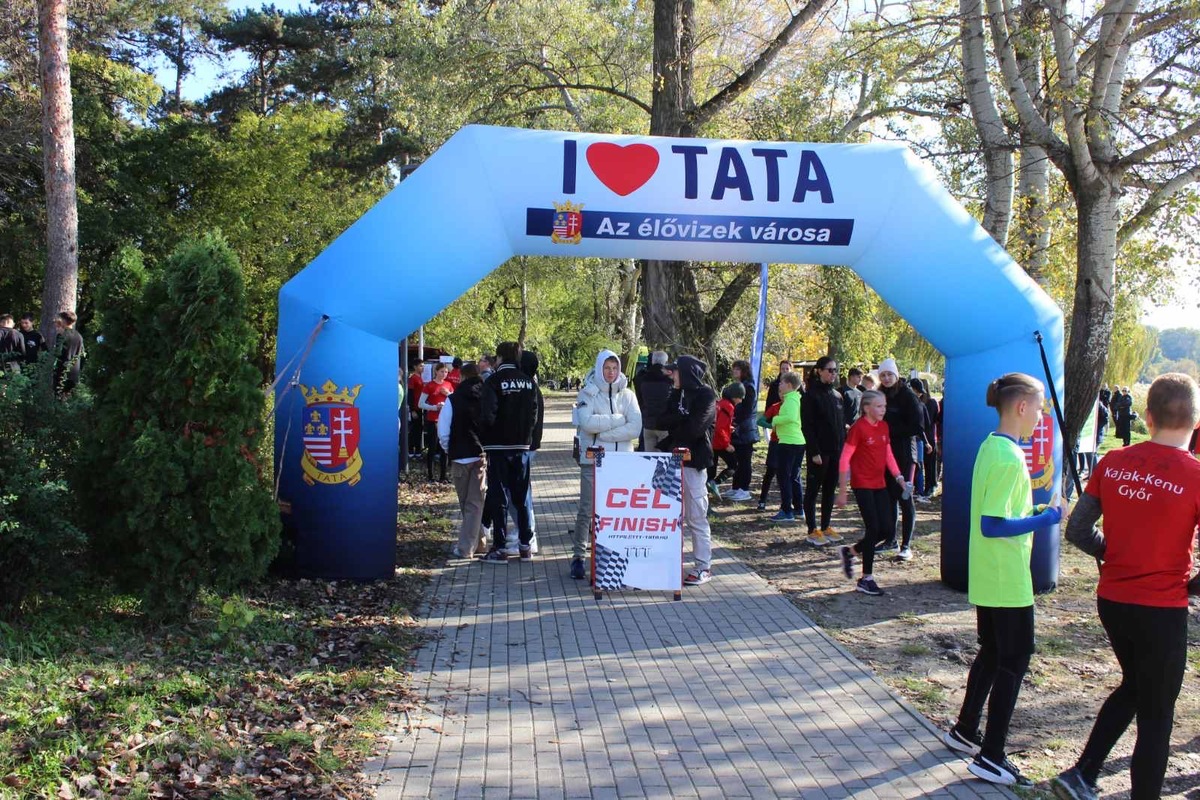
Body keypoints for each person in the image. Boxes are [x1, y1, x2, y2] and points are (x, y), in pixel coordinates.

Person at [1050, 373, 1200, 800]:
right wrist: (1190, 587)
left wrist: (1111, 555)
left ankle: (1082, 773)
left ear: (1147, 417)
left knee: (1137, 685)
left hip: (1113, 601)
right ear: (1195, 419)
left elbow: (1078, 529)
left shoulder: (1113, 463)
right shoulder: (1195, 475)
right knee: (1157, 714)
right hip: (1161, 609)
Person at [941, 372, 1063, 787]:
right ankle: (992, 755)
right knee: (1015, 658)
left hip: (991, 574)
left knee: (993, 651)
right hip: (1007, 577)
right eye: (1040, 405)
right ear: (1022, 406)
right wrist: (1044, 519)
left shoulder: (992, 447)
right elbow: (993, 524)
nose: (1042, 415)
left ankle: (965, 729)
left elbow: (995, 516)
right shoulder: (1010, 458)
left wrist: (1031, 514)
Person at [571, 349, 642, 579]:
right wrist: (616, 421)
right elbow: (586, 422)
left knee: (616, 511)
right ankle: (578, 557)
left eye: (614, 368)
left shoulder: (628, 395)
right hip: (592, 460)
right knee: (587, 509)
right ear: (599, 368)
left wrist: (606, 435)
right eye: (607, 368)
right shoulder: (588, 393)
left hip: (620, 461)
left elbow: (635, 427)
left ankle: (614, 554)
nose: (611, 373)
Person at [835, 390, 911, 595]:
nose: (883, 410)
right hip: (862, 484)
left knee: (887, 531)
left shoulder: (884, 426)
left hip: (880, 484)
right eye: (879, 406)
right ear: (867, 407)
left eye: (884, 406)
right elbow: (844, 459)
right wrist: (842, 490)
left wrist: (899, 478)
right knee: (873, 528)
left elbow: (888, 455)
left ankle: (850, 552)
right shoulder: (858, 428)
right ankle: (866, 578)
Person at [656, 355, 717, 585]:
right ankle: (671, 561)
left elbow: (696, 428)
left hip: (694, 463)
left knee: (696, 516)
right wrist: (682, 418)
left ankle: (703, 566)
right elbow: (660, 421)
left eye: (675, 372)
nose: (672, 376)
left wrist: (679, 420)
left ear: (687, 373)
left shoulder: (706, 395)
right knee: (670, 515)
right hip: (670, 461)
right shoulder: (675, 393)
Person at [479, 341, 540, 563]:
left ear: (498, 358)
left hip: (498, 446)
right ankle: (526, 545)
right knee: (521, 495)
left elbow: (487, 414)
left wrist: (487, 438)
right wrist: (526, 436)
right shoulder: (528, 383)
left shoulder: (493, 381)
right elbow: (534, 413)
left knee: (499, 496)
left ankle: (500, 547)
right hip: (522, 446)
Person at [438, 362, 489, 559]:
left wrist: (449, 449)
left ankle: (466, 548)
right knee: (476, 503)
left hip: (460, 456)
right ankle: (480, 542)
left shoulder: (453, 399)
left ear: (462, 377)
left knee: (467, 503)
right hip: (481, 454)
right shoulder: (486, 396)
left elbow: (443, 430)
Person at [877, 358, 925, 559]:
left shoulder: (907, 395)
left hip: (905, 454)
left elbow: (917, 426)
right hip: (885, 454)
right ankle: (890, 540)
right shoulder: (880, 394)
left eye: (889, 374)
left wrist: (892, 431)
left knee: (905, 498)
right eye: (883, 375)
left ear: (896, 375)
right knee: (888, 499)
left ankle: (906, 545)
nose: (886, 378)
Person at [801, 357, 845, 543]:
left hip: (836, 451)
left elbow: (840, 424)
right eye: (829, 370)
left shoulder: (837, 395)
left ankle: (826, 525)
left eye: (835, 370)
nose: (833, 373)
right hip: (819, 452)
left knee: (829, 489)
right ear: (819, 371)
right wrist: (814, 452)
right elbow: (807, 426)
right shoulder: (811, 395)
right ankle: (812, 529)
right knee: (813, 490)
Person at [769, 372, 806, 524]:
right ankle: (798, 508)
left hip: (789, 442)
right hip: (795, 441)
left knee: (784, 476)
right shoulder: (795, 398)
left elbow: (790, 417)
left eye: (782, 383)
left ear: (789, 385)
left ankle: (787, 510)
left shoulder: (791, 400)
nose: (780, 385)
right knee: (794, 476)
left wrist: (775, 419)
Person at [727, 359, 759, 501]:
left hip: (745, 428)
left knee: (745, 460)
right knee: (737, 459)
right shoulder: (739, 385)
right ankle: (736, 487)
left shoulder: (749, 387)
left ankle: (744, 489)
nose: (735, 372)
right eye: (734, 369)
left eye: (738, 369)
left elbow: (747, 409)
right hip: (738, 427)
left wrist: (736, 420)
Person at [419, 362, 453, 482]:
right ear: (436, 372)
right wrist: (434, 407)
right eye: (442, 371)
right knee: (432, 449)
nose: (444, 374)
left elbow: (454, 400)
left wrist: (448, 394)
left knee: (444, 449)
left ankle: (443, 476)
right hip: (433, 420)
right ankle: (431, 476)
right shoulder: (429, 385)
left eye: (446, 372)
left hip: (446, 420)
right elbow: (420, 403)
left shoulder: (449, 385)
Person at [708, 382, 743, 497]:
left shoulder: (719, 403)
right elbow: (720, 427)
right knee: (734, 465)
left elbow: (719, 423)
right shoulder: (728, 407)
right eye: (740, 398)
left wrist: (729, 428)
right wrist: (727, 444)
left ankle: (708, 490)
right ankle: (715, 483)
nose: (741, 401)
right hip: (719, 443)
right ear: (734, 396)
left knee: (711, 469)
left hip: (711, 442)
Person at [634, 350, 673, 452]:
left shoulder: (642, 378)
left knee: (649, 458)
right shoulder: (669, 380)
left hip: (648, 423)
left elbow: (640, 400)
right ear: (665, 362)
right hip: (664, 425)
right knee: (663, 459)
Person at [911, 379, 941, 499]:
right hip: (928, 435)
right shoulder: (931, 402)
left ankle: (920, 488)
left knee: (919, 464)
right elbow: (935, 419)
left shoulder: (919, 403)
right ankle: (929, 486)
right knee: (928, 464)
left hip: (920, 436)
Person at [52, 311, 83, 395]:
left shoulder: (62, 335)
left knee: (58, 398)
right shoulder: (79, 336)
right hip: (74, 372)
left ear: (63, 321)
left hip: (62, 371)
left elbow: (57, 353)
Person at [406, 360, 426, 457]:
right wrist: (412, 410)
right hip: (415, 408)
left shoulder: (420, 378)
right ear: (415, 367)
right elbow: (410, 394)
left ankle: (418, 450)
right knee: (413, 429)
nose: (423, 368)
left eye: (423, 366)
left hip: (420, 406)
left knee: (419, 429)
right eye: (421, 366)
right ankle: (410, 450)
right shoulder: (413, 378)